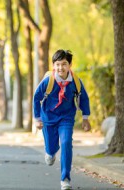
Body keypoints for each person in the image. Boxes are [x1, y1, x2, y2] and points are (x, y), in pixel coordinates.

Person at [33, 50, 91, 190]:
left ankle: (65, 179)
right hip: (48, 118)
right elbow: (36, 97)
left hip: (66, 117)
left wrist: (85, 118)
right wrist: (37, 118)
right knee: (51, 147)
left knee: (65, 143)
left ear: (70, 65)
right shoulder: (49, 80)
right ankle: (50, 152)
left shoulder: (75, 81)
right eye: (57, 64)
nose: (61, 68)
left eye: (64, 64)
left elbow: (84, 98)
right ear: (53, 65)